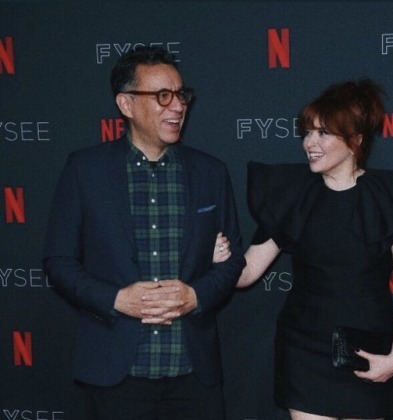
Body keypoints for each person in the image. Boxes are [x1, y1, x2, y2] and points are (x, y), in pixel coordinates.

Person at [42, 46, 245, 420]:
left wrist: (195, 295)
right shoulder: (85, 171)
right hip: (116, 374)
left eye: (181, 94)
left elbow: (233, 262)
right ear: (126, 104)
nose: (178, 106)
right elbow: (59, 262)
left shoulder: (210, 173)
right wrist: (116, 299)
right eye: (162, 96)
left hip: (193, 374)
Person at [237, 79, 393, 420]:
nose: (310, 143)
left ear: (355, 140)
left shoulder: (388, 199)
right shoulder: (294, 196)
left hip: (367, 350)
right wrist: (221, 260)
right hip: (303, 347)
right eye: (307, 132)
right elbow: (247, 272)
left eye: (323, 134)